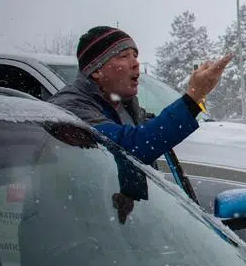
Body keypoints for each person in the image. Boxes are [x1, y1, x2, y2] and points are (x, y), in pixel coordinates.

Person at [49, 26, 231, 165]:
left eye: (135, 56)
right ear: (96, 70)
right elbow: (132, 146)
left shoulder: (123, 106)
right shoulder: (71, 108)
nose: (135, 63)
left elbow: (154, 130)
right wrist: (194, 95)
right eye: (123, 56)